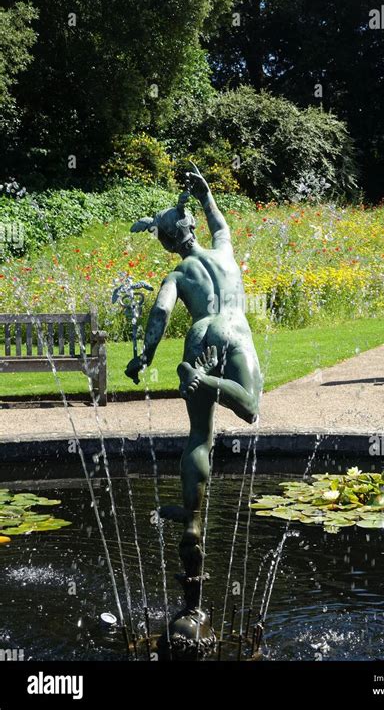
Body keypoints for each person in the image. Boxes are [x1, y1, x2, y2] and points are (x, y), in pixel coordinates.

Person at [125, 163, 262, 581]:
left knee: (199, 436)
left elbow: (161, 311)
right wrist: (205, 195)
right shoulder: (224, 251)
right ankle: (212, 381)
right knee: (250, 407)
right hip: (235, 328)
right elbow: (219, 223)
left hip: (200, 335)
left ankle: (192, 521)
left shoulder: (177, 273)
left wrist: (144, 357)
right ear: (191, 229)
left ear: (168, 243)